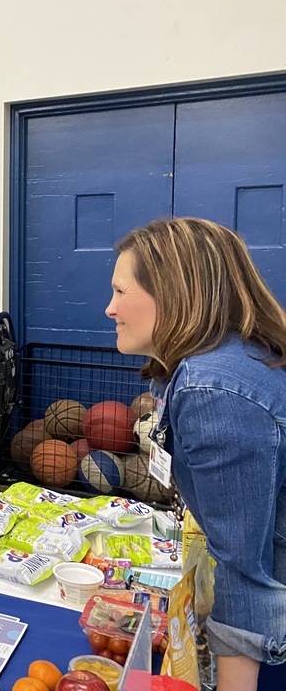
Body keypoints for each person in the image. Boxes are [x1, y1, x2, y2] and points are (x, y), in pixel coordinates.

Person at [107, 217, 286, 691]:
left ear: (171, 293)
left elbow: (245, 567)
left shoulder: (212, 388)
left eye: (121, 291)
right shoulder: (229, 361)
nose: (110, 308)